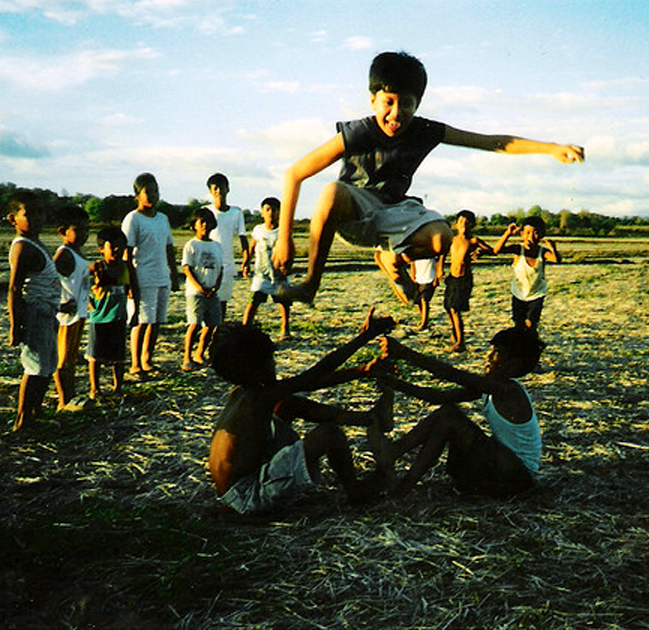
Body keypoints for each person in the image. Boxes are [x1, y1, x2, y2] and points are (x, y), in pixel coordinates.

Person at [271, 50, 584, 306]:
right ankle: (310, 284)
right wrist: (285, 240)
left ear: (417, 104)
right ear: (372, 100)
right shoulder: (359, 131)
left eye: (406, 104)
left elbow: (493, 142)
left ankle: (393, 259)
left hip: (395, 209)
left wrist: (551, 148)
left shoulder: (426, 130)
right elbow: (295, 173)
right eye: (388, 102)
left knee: (441, 238)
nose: (396, 114)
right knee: (330, 191)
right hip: (357, 210)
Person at [208, 309, 395, 514]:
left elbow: (311, 382)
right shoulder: (259, 397)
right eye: (271, 360)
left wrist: (362, 371)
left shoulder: (242, 392)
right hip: (247, 497)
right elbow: (316, 374)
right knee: (329, 434)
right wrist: (365, 337)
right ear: (257, 367)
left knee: (287, 404)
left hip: (235, 491)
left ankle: (368, 418)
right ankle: (355, 490)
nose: (274, 365)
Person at [370, 326, 544, 498]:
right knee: (447, 413)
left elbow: (450, 374)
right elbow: (438, 397)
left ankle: (399, 465)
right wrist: (392, 382)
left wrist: (405, 353)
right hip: (500, 468)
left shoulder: (508, 391)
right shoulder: (490, 387)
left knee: (450, 417)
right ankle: (397, 463)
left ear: (513, 364)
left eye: (497, 352)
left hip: (516, 477)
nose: (488, 357)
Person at [7, 191, 61, 431]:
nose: (38, 218)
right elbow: (14, 289)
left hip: (48, 312)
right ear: (13, 219)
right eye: (29, 214)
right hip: (35, 313)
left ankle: (36, 412)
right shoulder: (23, 247)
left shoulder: (37, 244)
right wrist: (15, 325)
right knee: (35, 367)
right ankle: (22, 419)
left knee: (47, 366)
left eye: (41, 212)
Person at [121, 173, 178, 376]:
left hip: (162, 276)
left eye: (156, 191)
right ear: (137, 195)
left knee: (156, 322)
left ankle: (147, 359)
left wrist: (174, 274)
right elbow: (126, 254)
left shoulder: (162, 218)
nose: (152, 195)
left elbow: (169, 248)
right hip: (142, 278)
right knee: (142, 322)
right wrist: (128, 283)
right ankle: (135, 363)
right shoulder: (133, 219)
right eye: (148, 192)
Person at [87, 228, 138, 400]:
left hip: (119, 317)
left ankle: (118, 387)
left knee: (118, 356)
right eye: (113, 247)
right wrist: (88, 303)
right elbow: (81, 284)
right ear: (102, 249)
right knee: (95, 356)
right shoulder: (97, 267)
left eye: (121, 247)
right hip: (99, 318)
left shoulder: (126, 268)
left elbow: (134, 289)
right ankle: (95, 388)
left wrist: (136, 311)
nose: (117, 250)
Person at [53, 205, 91, 411]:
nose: (84, 235)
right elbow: (48, 279)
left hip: (78, 315)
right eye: (79, 230)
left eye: (87, 230)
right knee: (63, 359)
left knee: (71, 359)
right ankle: (63, 400)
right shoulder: (64, 254)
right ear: (62, 231)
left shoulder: (78, 254)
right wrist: (59, 304)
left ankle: (71, 395)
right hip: (65, 317)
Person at [493, 216, 561, 329]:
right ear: (521, 234)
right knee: (519, 325)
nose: (531, 237)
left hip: (536, 294)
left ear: (541, 234)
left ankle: (532, 344)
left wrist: (553, 248)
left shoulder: (542, 252)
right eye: (527, 232)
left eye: (535, 233)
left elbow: (556, 259)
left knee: (531, 324)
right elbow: (497, 250)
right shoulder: (518, 250)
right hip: (518, 294)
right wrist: (507, 233)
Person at [443, 210, 493, 353]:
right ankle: (455, 334)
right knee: (448, 307)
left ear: (472, 225)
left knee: (455, 309)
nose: (463, 225)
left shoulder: (473, 241)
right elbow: (442, 255)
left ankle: (460, 342)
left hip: (464, 279)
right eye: (460, 222)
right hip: (452, 277)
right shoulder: (452, 240)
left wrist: (481, 252)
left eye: (467, 223)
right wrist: (439, 270)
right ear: (455, 225)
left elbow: (491, 251)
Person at [242, 197, 291, 340]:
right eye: (267, 210)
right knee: (253, 301)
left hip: (279, 274)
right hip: (261, 274)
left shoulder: (283, 231)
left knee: (283, 302)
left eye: (274, 210)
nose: (271, 213)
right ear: (262, 213)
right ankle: (245, 329)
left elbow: (290, 249)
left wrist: (288, 265)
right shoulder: (258, 230)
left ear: (279, 212)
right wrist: (246, 263)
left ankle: (285, 329)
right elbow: (251, 248)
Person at [182, 208, 224, 371]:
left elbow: (221, 268)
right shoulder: (191, 245)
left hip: (212, 292)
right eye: (201, 222)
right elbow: (187, 269)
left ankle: (200, 352)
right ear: (194, 225)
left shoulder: (217, 246)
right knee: (194, 324)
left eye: (208, 221)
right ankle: (187, 356)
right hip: (196, 293)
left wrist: (217, 286)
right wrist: (199, 287)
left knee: (212, 325)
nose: (205, 225)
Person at [205, 173, 249, 318]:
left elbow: (242, 237)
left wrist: (246, 259)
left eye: (221, 188)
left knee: (222, 301)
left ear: (227, 189)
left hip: (227, 264)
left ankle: (219, 332)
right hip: (208, 263)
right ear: (210, 192)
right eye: (215, 188)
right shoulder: (206, 211)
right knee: (207, 299)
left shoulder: (236, 213)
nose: (218, 192)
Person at [410, 255, 441, 331]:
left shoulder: (432, 251)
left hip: (429, 278)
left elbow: (438, 263)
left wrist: (436, 278)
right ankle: (424, 319)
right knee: (417, 302)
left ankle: (424, 323)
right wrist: (413, 277)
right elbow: (412, 264)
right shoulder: (416, 251)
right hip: (418, 278)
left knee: (424, 300)